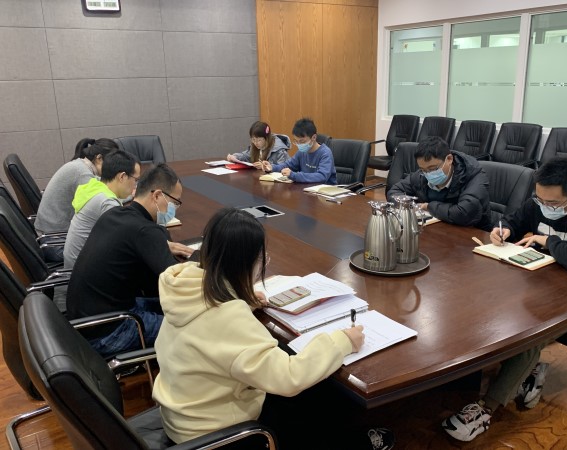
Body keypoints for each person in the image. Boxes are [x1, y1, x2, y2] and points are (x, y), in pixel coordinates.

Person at [152, 208, 395, 450]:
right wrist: (343, 342)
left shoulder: (186, 287)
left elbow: (212, 330)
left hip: (181, 415)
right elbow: (289, 377)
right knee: (306, 402)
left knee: (301, 389)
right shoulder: (227, 318)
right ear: (243, 264)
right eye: (260, 259)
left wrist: (242, 298)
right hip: (216, 435)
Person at [442, 157, 567, 442]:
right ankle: (506, 370)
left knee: (529, 333)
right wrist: (504, 231)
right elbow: (515, 220)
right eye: (540, 199)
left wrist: (546, 241)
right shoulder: (541, 200)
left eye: (552, 203)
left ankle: (487, 408)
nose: (544, 206)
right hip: (536, 281)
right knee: (481, 301)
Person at [66, 163, 194, 357]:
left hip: (84, 323)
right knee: (195, 329)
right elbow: (177, 285)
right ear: (157, 196)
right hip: (110, 330)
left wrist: (161, 245)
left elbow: (130, 244)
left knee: (173, 309)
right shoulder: (145, 231)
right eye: (175, 202)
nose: (174, 209)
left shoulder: (115, 214)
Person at [35, 138, 119, 262]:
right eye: (112, 163)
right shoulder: (82, 173)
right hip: (55, 243)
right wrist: (130, 193)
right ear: (99, 158)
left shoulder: (79, 166)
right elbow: (104, 198)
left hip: (49, 235)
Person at [386, 136, 493, 230]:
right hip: (436, 229)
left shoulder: (475, 176)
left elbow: (463, 213)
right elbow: (394, 191)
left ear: (449, 159)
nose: (428, 174)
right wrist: (409, 205)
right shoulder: (422, 175)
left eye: (433, 169)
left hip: (473, 234)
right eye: (423, 169)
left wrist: (428, 207)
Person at [62, 150, 141, 269]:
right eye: (136, 180)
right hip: (83, 269)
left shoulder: (95, 185)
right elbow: (126, 238)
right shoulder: (107, 202)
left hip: (77, 262)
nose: (135, 185)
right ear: (122, 177)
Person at [261, 117, 337, 184]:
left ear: (313, 137)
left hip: (325, 192)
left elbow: (322, 176)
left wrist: (294, 175)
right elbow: (288, 165)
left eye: (302, 141)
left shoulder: (325, 153)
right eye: (296, 141)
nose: (299, 145)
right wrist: (271, 167)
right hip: (307, 189)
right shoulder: (302, 152)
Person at [226, 120, 291, 167]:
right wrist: (235, 156)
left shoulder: (279, 150)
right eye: (253, 139)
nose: (255, 143)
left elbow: (284, 167)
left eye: (259, 140)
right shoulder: (255, 146)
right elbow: (246, 156)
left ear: (266, 138)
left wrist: (266, 166)